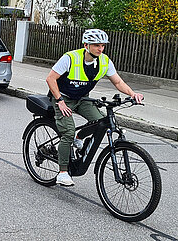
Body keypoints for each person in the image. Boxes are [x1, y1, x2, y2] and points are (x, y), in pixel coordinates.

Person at [46, 29, 144, 187]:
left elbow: (118, 82)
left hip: (83, 99)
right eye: (96, 45)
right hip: (63, 98)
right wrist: (59, 101)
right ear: (86, 45)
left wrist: (132, 94)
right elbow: (50, 78)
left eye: (103, 46)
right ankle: (63, 172)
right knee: (68, 132)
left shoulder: (105, 61)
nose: (100, 49)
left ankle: (79, 138)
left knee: (101, 122)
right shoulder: (70, 58)